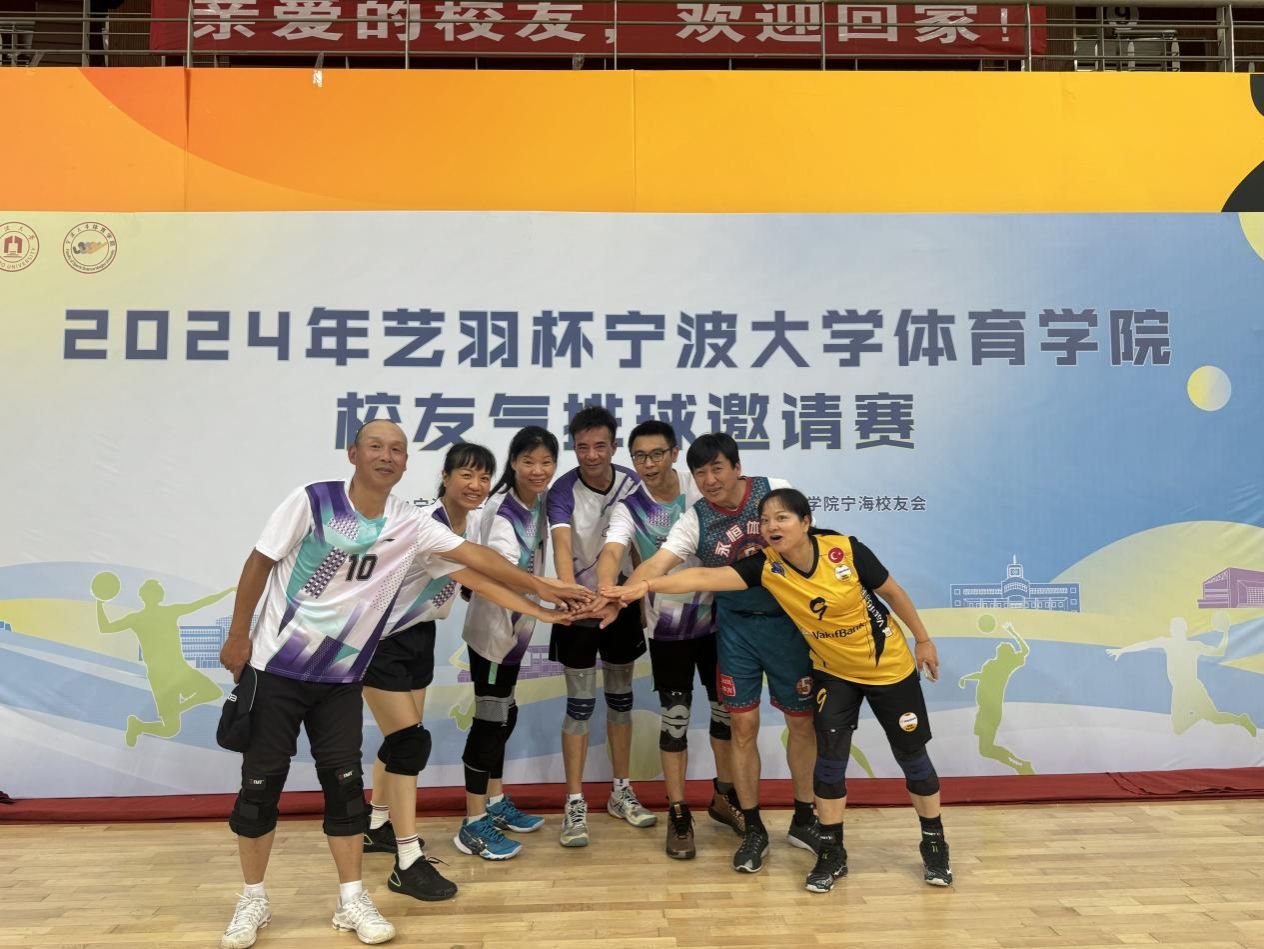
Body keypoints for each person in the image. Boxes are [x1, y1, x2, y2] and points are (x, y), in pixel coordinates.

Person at [216, 420, 585, 949]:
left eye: (397, 449)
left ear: (407, 462)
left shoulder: (410, 523)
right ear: (353, 453)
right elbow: (260, 563)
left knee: (347, 792)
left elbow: (477, 565)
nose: (386, 456)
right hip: (278, 669)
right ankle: (253, 898)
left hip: (343, 675)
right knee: (259, 791)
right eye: (376, 447)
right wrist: (239, 635)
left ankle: (352, 898)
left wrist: (544, 597)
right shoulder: (313, 501)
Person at [605, 487, 951, 892]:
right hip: (835, 674)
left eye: (782, 518)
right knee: (829, 767)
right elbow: (704, 576)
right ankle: (832, 853)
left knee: (913, 758)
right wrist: (645, 586)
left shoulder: (845, 550)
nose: (772, 526)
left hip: (888, 668)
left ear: (806, 523)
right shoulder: (767, 567)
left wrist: (922, 640)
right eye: (766, 520)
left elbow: (892, 592)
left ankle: (934, 845)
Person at [617, 433, 817, 874]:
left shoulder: (774, 492)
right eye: (701, 472)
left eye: (717, 469)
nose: (709, 479)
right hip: (735, 631)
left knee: (802, 723)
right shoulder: (696, 519)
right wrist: (622, 593)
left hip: (788, 626)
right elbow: (660, 563)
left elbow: (811, 547)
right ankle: (754, 828)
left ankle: (805, 817)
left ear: (737, 467)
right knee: (740, 726)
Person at [362, 442, 532, 901]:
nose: (476, 485)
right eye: (466, 475)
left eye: (484, 477)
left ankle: (377, 823)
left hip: (417, 633)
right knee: (408, 744)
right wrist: (547, 604)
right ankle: (407, 860)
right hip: (377, 636)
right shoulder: (426, 519)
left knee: (400, 741)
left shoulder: (473, 520)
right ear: (445, 476)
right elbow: (477, 577)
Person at [595, 420, 743, 859]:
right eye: (639, 456)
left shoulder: (702, 488)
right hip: (668, 631)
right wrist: (608, 592)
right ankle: (679, 811)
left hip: (721, 623)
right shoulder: (629, 507)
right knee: (675, 719)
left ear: (675, 454)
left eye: (656, 454)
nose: (648, 463)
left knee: (725, 717)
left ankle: (725, 797)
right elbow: (613, 550)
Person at [455, 426, 566, 860]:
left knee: (505, 713)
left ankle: (495, 800)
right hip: (494, 634)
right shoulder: (502, 511)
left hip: (518, 631)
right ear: (514, 463)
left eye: (546, 462)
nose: (538, 470)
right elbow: (498, 573)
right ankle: (472, 822)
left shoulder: (538, 501)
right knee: (490, 721)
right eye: (528, 462)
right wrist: (552, 592)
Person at [547, 405, 655, 848]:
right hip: (577, 604)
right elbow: (561, 546)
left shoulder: (633, 482)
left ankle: (620, 791)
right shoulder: (562, 490)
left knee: (621, 701)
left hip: (620, 601)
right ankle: (574, 802)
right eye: (582, 447)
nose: (591, 455)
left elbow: (639, 543)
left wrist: (635, 596)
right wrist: (572, 596)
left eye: (600, 446)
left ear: (613, 445)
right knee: (579, 705)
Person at [95, 576, 234, 746]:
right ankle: (138, 726)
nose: (152, 596)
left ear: (159, 596)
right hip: (160, 676)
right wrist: (99, 603)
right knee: (170, 729)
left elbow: (201, 603)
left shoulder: (170, 611)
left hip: (179, 669)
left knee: (213, 691)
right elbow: (105, 627)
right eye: (149, 593)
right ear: (143, 596)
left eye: (155, 593)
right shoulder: (136, 618)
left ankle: (173, 710)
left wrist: (227, 591)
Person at [1107, 612, 1256, 737]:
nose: (1174, 630)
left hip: (1192, 687)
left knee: (1213, 718)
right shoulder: (1168, 643)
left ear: (1182, 629)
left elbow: (1219, 652)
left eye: (1176, 627)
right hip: (1180, 689)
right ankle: (1204, 715)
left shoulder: (1193, 646)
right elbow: (1145, 644)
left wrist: (1226, 634)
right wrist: (1122, 650)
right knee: (1180, 728)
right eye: (1173, 627)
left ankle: (1240, 720)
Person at [959, 616, 1035, 774]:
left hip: (991, 711)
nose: (999, 646)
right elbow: (982, 675)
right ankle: (1021, 765)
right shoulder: (991, 664)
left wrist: (1012, 631)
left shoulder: (1007, 664)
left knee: (985, 749)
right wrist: (966, 677)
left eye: (1003, 647)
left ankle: (1021, 765)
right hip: (983, 710)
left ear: (1006, 653)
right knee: (985, 750)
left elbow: (1025, 650)